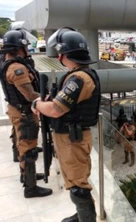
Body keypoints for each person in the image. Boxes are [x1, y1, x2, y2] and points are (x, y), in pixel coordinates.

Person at [31, 27, 100, 221]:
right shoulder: (78, 74)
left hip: (73, 140)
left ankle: (87, 218)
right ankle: (81, 215)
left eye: (60, 54)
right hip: (70, 138)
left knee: (78, 187)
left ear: (64, 55)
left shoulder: (79, 78)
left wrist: (37, 103)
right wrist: (45, 101)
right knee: (73, 181)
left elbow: (56, 109)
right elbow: (56, 102)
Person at [0, 29, 52, 198]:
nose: (28, 49)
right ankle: (30, 188)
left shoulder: (7, 62)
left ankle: (26, 176)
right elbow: (30, 95)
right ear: (19, 47)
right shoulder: (17, 68)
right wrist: (49, 99)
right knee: (29, 150)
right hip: (24, 114)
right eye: (25, 46)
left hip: (17, 110)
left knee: (22, 145)